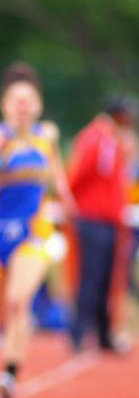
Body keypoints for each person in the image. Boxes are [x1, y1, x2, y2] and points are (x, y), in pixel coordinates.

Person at [0, 62, 74, 398]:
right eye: (15, 100)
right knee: (1, 313)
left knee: (18, 300)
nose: (23, 105)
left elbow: (57, 178)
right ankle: (8, 344)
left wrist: (66, 200)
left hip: (33, 235)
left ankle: (9, 372)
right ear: (4, 105)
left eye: (29, 99)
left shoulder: (46, 136)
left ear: (38, 104)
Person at [67, 96, 137, 353]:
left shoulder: (114, 139)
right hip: (93, 218)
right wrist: (73, 202)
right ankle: (78, 333)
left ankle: (104, 334)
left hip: (109, 219)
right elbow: (78, 173)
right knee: (91, 277)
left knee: (108, 279)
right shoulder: (96, 137)